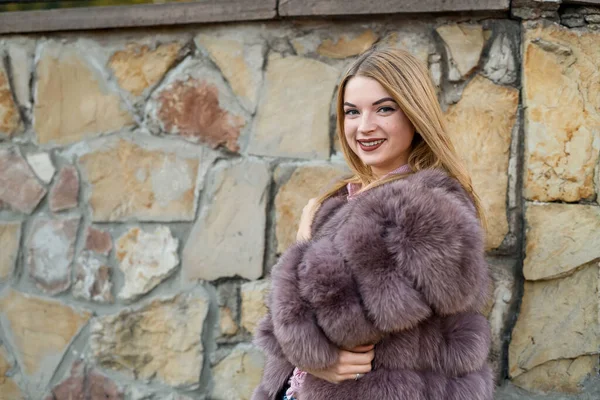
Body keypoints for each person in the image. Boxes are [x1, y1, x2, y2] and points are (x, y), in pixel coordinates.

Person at [251, 47, 493, 400]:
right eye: (352, 112)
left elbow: (331, 320)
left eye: (384, 109)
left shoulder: (426, 207)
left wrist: (304, 237)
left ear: (414, 114)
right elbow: (298, 330)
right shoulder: (343, 200)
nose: (364, 126)